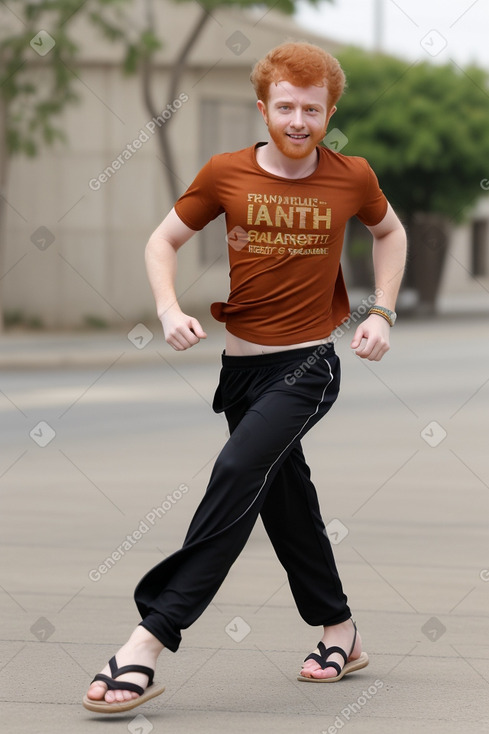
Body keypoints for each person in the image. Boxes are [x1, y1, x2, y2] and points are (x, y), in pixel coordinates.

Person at [83, 41, 406, 713]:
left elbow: (390, 233)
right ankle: (339, 632)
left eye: (310, 109)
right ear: (262, 108)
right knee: (287, 505)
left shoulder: (351, 177)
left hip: (308, 366)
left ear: (329, 111)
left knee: (235, 474)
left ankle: (150, 636)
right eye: (284, 106)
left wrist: (381, 311)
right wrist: (168, 308)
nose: (297, 120)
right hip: (240, 371)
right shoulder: (225, 173)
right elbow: (161, 240)